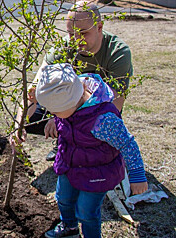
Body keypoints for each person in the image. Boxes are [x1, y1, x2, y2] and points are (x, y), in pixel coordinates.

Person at [33, 63, 148, 238]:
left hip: (98, 172)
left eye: (55, 111)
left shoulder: (102, 121)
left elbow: (127, 144)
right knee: (63, 198)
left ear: (71, 104)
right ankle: (69, 227)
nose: (52, 113)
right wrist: (55, 118)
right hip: (69, 163)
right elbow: (63, 114)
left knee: (86, 212)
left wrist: (137, 174)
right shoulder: (70, 97)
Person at [18, 1, 133, 161]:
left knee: (100, 123)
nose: (75, 40)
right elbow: (32, 92)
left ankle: (82, 143)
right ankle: (65, 142)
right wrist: (19, 125)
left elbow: (114, 104)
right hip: (65, 108)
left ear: (99, 27)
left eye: (83, 33)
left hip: (98, 112)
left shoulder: (117, 53)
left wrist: (61, 120)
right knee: (34, 115)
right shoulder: (62, 49)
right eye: (71, 33)